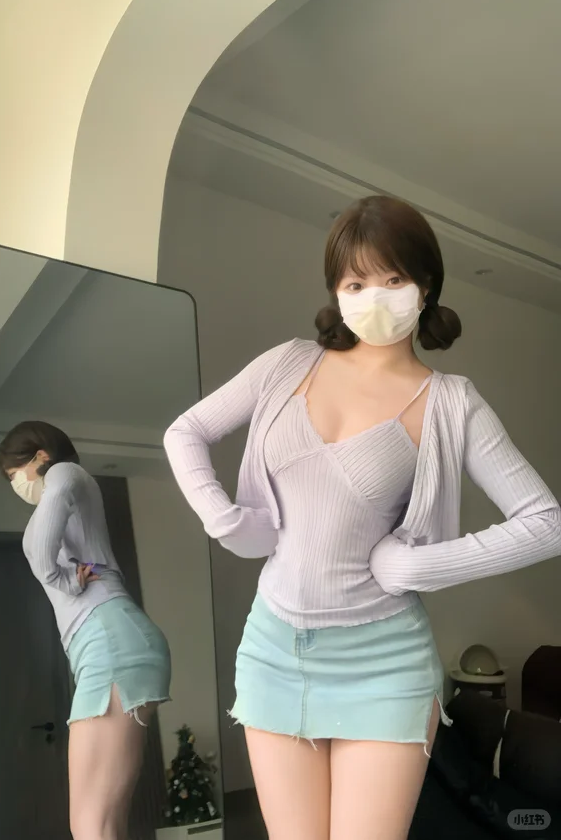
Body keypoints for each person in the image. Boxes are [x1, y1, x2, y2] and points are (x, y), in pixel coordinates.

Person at [163, 195, 561, 840]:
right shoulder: (287, 363)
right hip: (273, 649)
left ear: (425, 286)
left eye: (392, 279)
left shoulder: (451, 403)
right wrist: (223, 517)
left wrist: (417, 566)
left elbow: (545, 522)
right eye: (355, 283)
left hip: (384, 661)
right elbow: (186, 432)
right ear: (336, 292)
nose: (373, 296)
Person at [0, 421, 171, 840]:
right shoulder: (73, 490)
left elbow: (41, 556)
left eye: (15, 473)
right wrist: (66, 578)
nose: (16, 484)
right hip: (108, 639)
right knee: (102, 823)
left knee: (92, 825)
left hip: (108, 640)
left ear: (40, 456)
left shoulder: (63, 472)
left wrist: (62, 579)